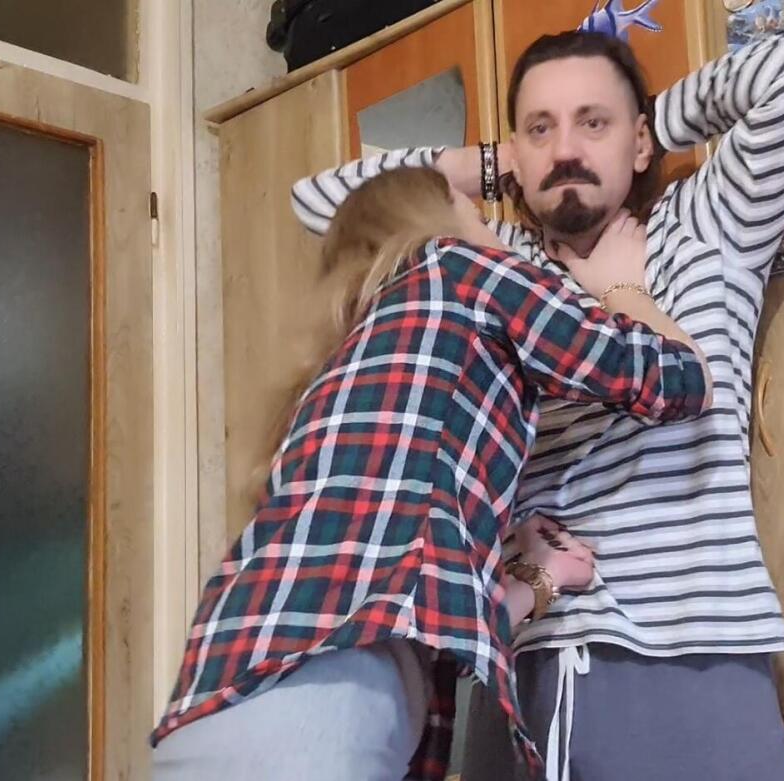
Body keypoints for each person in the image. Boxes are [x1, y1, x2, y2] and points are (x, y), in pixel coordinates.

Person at [290, 25, 784, 781]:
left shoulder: (709, 226)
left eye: (593, 122)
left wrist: (644, 126)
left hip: (693, 649)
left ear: (639, 141)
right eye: (540, 129)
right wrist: (500, 162)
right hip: (529, 650)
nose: (566, 151)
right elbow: (324, 201)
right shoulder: (493, 265)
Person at [151, 166, 713, 781]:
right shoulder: (459, 268)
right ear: (445, 208)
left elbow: (406, 611)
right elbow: (680, 378)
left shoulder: (345, 369)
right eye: (478, 211)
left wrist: (539, 581)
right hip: (314, 722)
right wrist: (621, 285)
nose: (496, 228)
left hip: (211, 710)